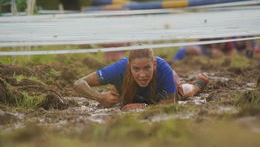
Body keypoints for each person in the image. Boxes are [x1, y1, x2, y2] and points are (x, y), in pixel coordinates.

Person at [73, 48, 209, 111]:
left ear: (154, 65)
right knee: (114, 96)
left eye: (147, 68)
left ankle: (198, 84)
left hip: (158, 89)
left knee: (183, 94)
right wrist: (99, 97)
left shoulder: (163, 69)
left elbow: (168, 106)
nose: (142, 74)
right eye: (136, 69)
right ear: (129, 66)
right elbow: (79, 83)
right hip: (129, 86)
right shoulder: (118, 69)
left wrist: (142, 107)